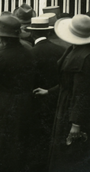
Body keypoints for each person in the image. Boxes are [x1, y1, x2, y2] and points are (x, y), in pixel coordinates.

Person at [33, 15, 90, 172]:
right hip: (68, 105)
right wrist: (49, 91)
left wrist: (76, 123)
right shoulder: (74, 49)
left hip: (74, 111)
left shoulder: (84, 58)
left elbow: (81, 93)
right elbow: (67, 84)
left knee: (72, 152)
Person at [0, 15, 38, 172]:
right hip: (25, 100)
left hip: (4, 101)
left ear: (1, 35)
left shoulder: (0, 52)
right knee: (20, 138)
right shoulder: (29, 49)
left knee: (0, 141)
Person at [26, 17, 66, 171]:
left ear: (32, 34)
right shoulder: (60, 50)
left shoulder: (31, 52)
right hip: (56, 96)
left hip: (36, 97)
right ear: (49, 32)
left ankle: (38, 164)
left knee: (37, 133)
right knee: (52, 130)